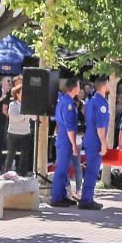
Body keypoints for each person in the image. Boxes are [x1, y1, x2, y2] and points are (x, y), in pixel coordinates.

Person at [78, 78, 110, 210]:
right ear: (103, 87)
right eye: (107, 84)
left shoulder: (91, 101)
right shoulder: (101, 103)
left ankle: (86, 197)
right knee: (92, 170)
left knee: (91, 170)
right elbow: (100, 126)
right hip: (96, 140)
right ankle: (87, 199)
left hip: (90, 138)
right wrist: (103, 143)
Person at [50, 78, 82, 207]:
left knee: (64, 169)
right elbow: (69, 126)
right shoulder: (68, 104)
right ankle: (56, 198)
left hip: (64, 139)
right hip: (65, 140)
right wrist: (74, 144)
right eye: (78, 86)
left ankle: (62, 195)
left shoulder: (66, 101)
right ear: (74, 88)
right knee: (62, 169)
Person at [3, 83, 33, 176]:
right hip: (13, 132)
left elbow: (34, 118)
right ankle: (6, 173)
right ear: (17, 94)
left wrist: (31, 113)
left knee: (25, 155)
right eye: (22, 93)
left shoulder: (28, 104)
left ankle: (22, 174)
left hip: (26, 132)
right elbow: (14, 118)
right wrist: (25, 115)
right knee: (11, 154)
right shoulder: (12, 104)